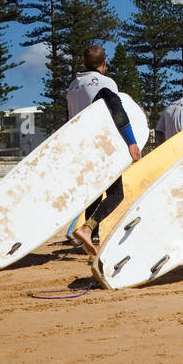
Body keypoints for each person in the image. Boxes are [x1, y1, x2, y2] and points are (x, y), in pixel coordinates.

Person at [65, 45, 143, 257]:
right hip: (100, 147)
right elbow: (117, 110)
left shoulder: (73, 87)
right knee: (116, 194)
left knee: (94, 193)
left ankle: (93, 239)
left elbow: (68, 120)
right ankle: (88, 228)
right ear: (104, 63)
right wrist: (131, 142)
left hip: (80, 148)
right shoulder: (105, 82)